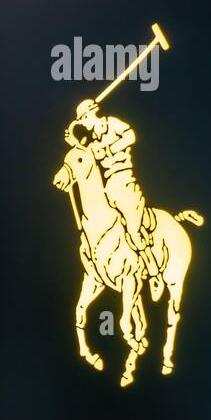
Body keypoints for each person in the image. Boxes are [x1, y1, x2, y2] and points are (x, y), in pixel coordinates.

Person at [69, 99, 162, 297]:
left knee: (133, 230)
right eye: (81, 120)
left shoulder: (112, 124)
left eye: (84, 118)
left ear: (91, 114)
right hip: (108, 187)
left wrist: (109, 148)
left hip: (125, 182)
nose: (83, 122)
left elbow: (131, 136)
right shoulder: (92, 143)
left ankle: (154, 273)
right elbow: (84, 156)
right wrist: (73, 142)